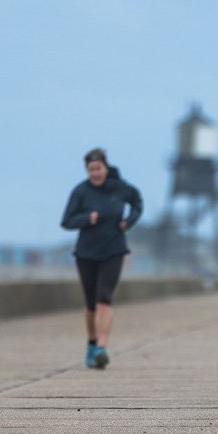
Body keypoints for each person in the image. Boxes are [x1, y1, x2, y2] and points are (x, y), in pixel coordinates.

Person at [61, 148, 143, 369]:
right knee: (90, 305)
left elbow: (137, 203)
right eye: (91, 170)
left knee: (104, 297)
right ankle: (91, 343)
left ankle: (101, 348)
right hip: (86, 253)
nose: (95, 173)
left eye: (99, 169)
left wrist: (129, 221)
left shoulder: (121, 188)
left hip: (114, 250)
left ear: (106, 168)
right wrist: (87, 218)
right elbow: (66, 221)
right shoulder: (81, 192)